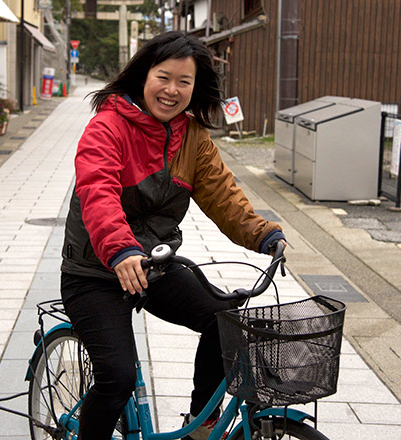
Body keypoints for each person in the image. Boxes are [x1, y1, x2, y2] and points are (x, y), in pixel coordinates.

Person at [60, 31, 287, 440]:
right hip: (95, 272)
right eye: (164, 77)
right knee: (116, 378)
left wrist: (264, 235)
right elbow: (97, 192)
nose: (172, 90)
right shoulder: (107, 128)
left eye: (185, 81)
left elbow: (223, 196)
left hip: (154, 267)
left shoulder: (193, 139)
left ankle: (202, 425)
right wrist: (120, 249)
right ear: (143, 75)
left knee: (225, 321)